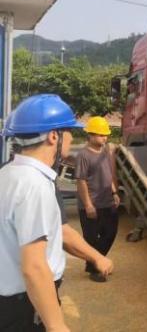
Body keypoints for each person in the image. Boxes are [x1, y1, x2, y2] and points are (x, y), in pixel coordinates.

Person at [0, 94, 84, 331]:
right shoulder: (34, 185)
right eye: (69, 131)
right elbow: (34, 267)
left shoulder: (7, 174)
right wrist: (57, 325)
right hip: (25, 305)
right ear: (53, 136)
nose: (71, 138)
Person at [74, 116, 119, 283]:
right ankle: (95, 268)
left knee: (110, 233)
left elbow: (108, 175)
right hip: (91, 204)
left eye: (105, 135)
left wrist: (114, 193)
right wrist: (88, 205)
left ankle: (95, 263)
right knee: (91, 239)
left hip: (107, 202)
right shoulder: (83, 155)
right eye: (101, 135)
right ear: (90, 135)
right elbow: (81, 181)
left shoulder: (105, 152)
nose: (104, 138)